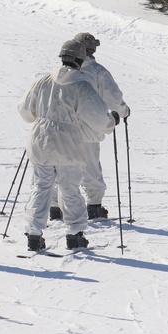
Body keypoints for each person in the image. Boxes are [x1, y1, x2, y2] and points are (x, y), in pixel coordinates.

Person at [18, 40, 116, 253]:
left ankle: (34, 235)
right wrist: (112, 121)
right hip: (68, 142)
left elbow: (25, 109)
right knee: (70, 188)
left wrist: (42, 117)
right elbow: (99, 118)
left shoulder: (43, 80)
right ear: (80, 60)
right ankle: (74, 234)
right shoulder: (81, 86)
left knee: (40, 186)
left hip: (40, 139)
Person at [49, 31, 131, 221]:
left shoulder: (60, 71)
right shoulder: (98, 71)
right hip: (89, 128)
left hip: (61, 127)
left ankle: (55, 205)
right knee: (90, 166)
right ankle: (94, 205)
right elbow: (113, 96)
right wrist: (123, 111)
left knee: (59, 165)